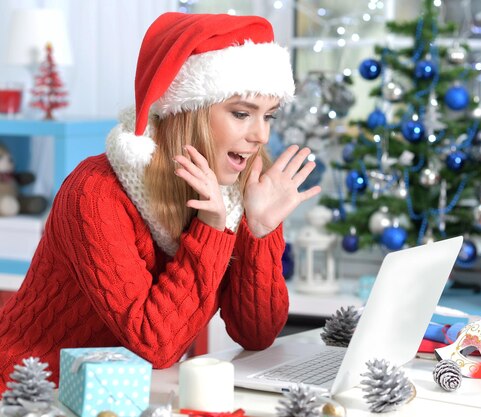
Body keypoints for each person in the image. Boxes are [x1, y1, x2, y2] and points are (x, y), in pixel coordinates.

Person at [0, 12, 321, 391]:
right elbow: (157, 345)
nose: (261, 136)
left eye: (268, 116)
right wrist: (211, 230)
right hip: (33, 394)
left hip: (132, 394)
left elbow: (257, 333)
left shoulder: (232, 193)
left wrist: (260, 230)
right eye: (241, 114)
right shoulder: (95, 192)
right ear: (185, 111)